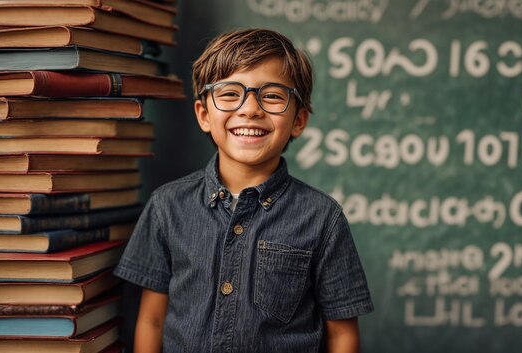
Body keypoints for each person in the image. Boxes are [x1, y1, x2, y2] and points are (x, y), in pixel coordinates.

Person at [114, 28, 374, 353]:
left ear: (299, 120)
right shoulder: (167, 206)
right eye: (229, 93)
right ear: (204, 115)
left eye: (273, 95)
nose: (250, 108)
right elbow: (152, 319)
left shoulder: (323, 218)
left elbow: (342, 334)